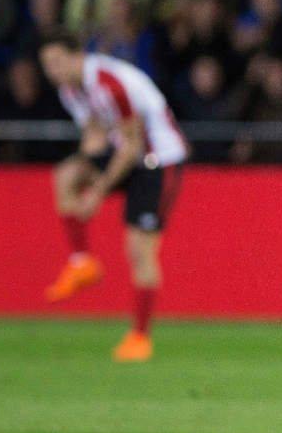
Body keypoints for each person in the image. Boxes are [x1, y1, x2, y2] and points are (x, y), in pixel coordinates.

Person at [38, 31, 188, 363]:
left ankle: (140, 337)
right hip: (126, 154)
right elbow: (94, 137)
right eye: (47, 64)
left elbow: (133, 144)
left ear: (77, 56)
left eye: (57, 61)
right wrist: (86, 171)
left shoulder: (109, 83)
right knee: (65, 174)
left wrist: (97, 192)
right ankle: (83, 262)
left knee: (139, 250)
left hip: (158, 161)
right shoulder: (70, 90)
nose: (52, 71)